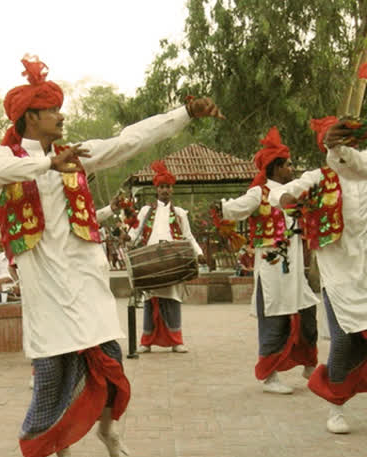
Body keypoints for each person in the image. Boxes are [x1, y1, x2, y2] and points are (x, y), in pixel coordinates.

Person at [0, 55, 223, 457]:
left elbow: (130, 140)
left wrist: (185, 113)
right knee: (54, 378)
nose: (61, 116)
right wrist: (47, 166)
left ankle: (110, 430)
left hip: (86, 282)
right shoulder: (6, 156)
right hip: (45, 289)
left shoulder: (75, 155)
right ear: (30, 117)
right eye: (52, 110)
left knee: (110, 362)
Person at [270, 117, 367, 433]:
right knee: (343, 340)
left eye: (349, 139)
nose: (346, 147)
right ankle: (335, 407)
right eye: (338, 141)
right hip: (337, 276)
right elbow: (283, 195)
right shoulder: (317, 178)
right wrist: (288, 201)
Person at [220, 126, 318, 394]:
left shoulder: (293, 193)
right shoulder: (259, 193)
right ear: (275, 168)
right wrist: (222, 210)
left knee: (307, 310)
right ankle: (269, 376)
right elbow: (234, 209)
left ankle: (309, 363)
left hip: (295, 267)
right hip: (273, 268)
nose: (291, 169)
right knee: (274, 315)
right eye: (287, 165)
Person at [128, 161, 205, 354]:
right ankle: (146, 341)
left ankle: (176, 341)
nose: (165, 190)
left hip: (174, 261)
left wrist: (199, 253)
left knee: (172, 300)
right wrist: (126, 238)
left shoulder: (179, 213)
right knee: (150, 301)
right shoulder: (146, 211)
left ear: (172, 190)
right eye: (162, 187)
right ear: (157, 188)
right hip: (151, 262)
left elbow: (188, 236)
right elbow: (135, 233)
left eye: (168, 187)